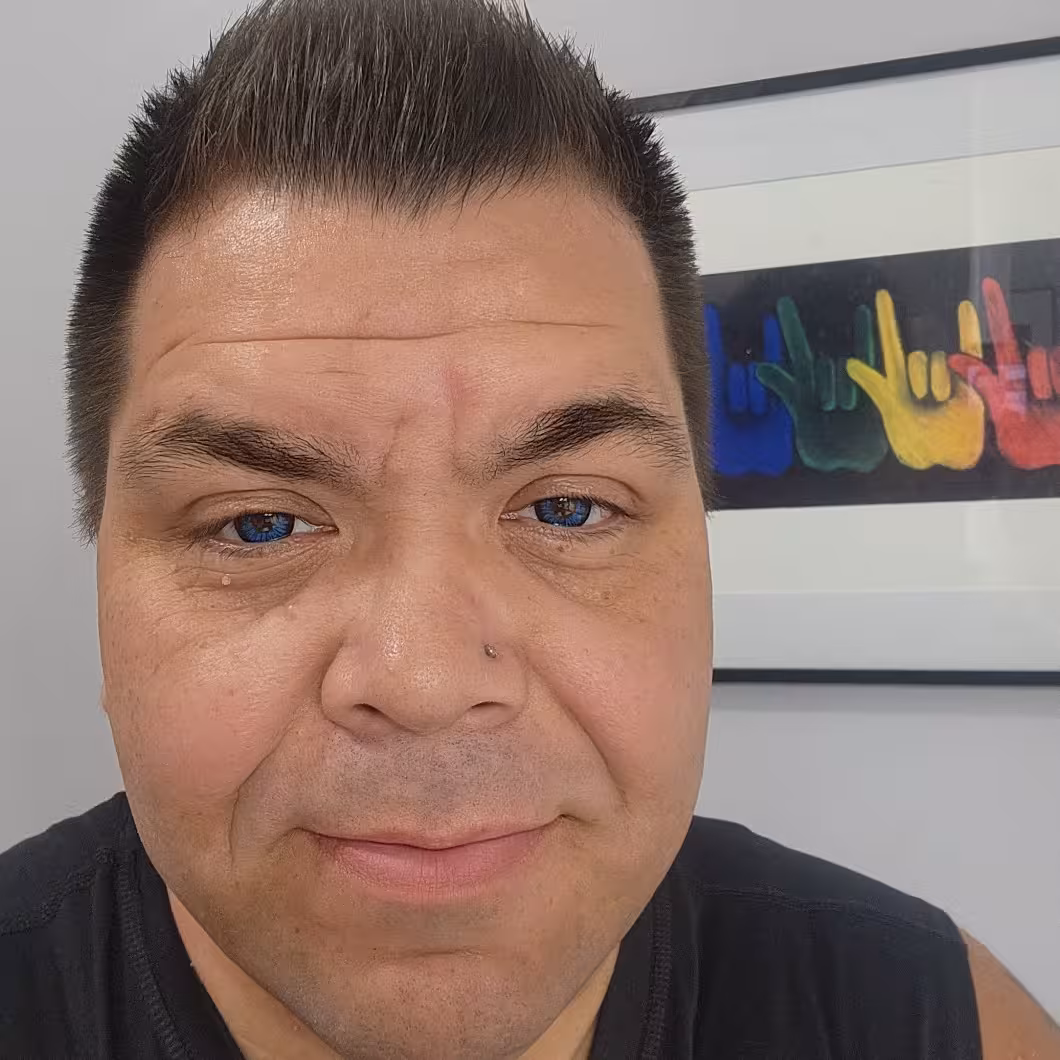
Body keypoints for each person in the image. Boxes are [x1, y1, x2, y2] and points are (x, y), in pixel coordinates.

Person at [1, 0, 1057, 1056]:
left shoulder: (929, 1018)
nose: (424, 682)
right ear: (105, 605)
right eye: (262, 524)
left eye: (568, 508)